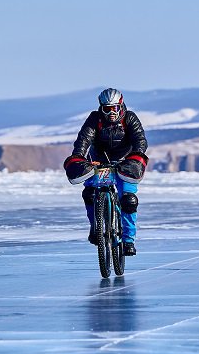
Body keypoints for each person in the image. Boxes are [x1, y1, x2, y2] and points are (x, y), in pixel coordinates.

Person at [63, 88, 149, 255]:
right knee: (89, 194)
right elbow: (83, 140)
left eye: (114, 108)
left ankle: (128, 240)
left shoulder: (130, 118)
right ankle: (96, 227)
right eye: (107, 108)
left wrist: (136, 156)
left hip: (126, 162)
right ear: (101, 107)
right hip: (98, 161)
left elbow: (140, 140)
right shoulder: (94, 119)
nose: (111, 112)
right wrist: (79, 157)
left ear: (121, 106)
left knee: (129, 200)